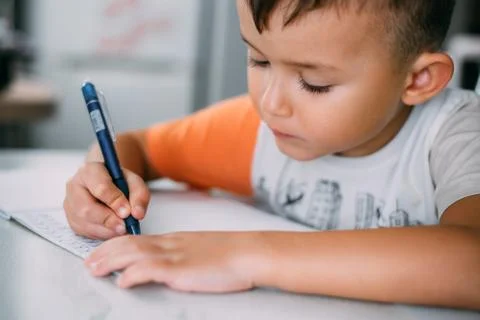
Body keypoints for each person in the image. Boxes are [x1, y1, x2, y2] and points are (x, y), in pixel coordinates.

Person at [63, 0, 480, 310]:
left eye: (315, 83)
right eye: (258, 59)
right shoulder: (255, 131)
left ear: (419, 79)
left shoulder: (456, 136)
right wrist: (99, 179)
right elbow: (140, 148)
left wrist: (241, 256)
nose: (271, 103)